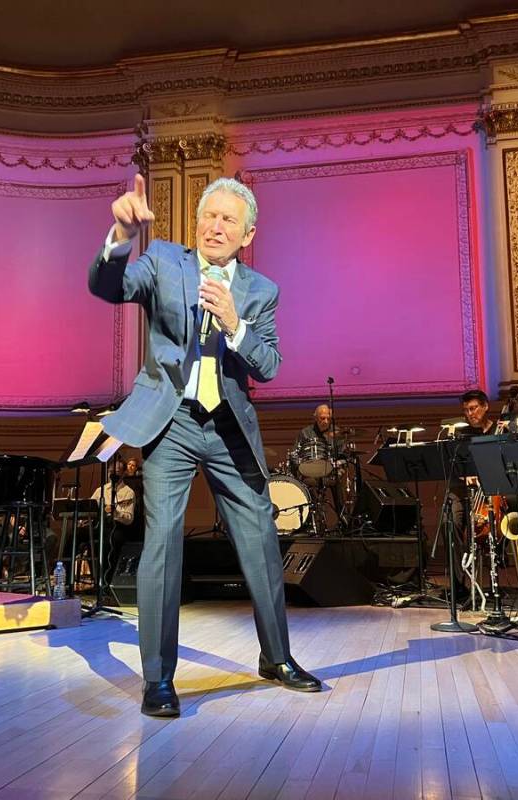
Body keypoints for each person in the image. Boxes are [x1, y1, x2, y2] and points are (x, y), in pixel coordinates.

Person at [89, 174, 320, 717]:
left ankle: (277, 657)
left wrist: (236, 325)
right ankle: (159, 681)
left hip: (228, 429)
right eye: (208, 216)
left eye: (228, 221)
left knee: (261, 537)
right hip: (170, 423)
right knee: (162, 543)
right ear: (197, 222)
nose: (215, 227)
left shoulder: (261, 292)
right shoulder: (165, 261)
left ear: (248, 234)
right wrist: (120, 235)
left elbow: (269, 365)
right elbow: (108, 288)